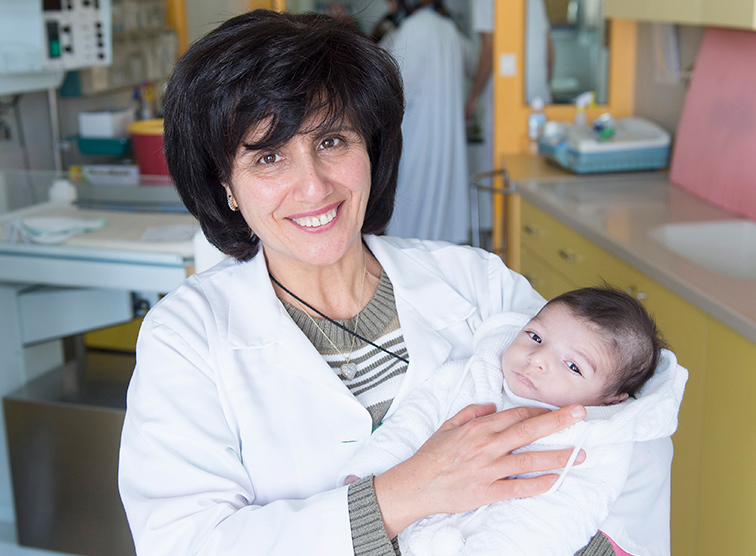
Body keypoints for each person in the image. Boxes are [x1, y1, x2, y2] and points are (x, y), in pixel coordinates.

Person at [117, 10, 673, 556]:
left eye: (331, 141)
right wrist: (409, 491)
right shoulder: (185, 337)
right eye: (268, 157)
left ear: (370, 146)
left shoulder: (480, 287)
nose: (313, 187)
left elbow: (631, 428)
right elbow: (184, 542)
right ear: (226, 185)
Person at [342, 286, 688, 555]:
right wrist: (369, 471)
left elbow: (554, 520)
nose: (537, 358)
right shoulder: (470, 377)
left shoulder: (595, 447)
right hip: (396, 533)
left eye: (573, 366)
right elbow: (412, 422)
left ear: (611, 400)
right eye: (535, 337)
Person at [380, 0, 472, 244]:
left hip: (416, 139)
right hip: (443, 140)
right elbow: (473, 60)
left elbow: (395, 93)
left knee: (411, 222)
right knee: (439, 221)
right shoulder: (447, 28)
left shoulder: (413, 29)